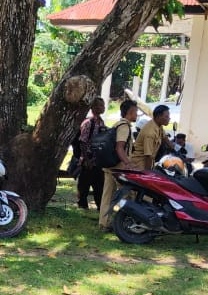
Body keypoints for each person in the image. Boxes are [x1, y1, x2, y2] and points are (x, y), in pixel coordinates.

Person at [98, 99, 139, 231]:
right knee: (129, 194)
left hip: (110, 166)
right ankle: (128, 222)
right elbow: (119, 148)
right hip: (118, 167)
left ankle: (103, 223)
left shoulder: (117, 124)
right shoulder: (124, 127)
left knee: (107, 195)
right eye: (135, 112)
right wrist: (128, 163)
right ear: (130, 112)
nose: (136, 115)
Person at [72, 97, 107, 210]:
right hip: (88, 157)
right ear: (93, 107)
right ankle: (82, 204)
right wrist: (86, 160)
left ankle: (100, 206)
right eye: (100, 105)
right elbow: (82, 141)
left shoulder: (101, 122)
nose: (103, 108)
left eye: (103, 105)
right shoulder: (88, 123)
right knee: (84, 184)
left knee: (99, 184)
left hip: (97, 158)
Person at [130, 104, 171, 173]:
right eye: (166, 116)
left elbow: (165, 137)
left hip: (149, 162)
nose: (169, 119)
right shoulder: (150, 132)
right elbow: (148, 155)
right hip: (140, 165)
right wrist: (148, 173)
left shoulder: (158, 126)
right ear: (158, 117)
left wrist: (176, 148)